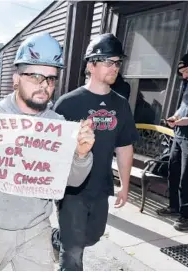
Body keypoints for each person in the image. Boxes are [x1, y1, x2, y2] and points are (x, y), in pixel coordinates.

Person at [0, 32, 95, 271]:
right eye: (35, 76)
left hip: (36, 231)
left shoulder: (59, 127)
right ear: (16, 78)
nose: (44, 85)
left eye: (51, 79)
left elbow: (74, 180)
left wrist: (82, 155)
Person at [50, 33, 139, 271]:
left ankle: (59, 238)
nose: (115, 67)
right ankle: (66, 243)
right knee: (74, 253)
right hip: (72, 190)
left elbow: (124, 146)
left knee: (92, 237)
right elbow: (51, 147)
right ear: (91, 64)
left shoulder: (120, 104)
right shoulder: (68, 103)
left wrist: (125, 184)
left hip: (101, 187)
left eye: (118, 63)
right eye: (109, 61)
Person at [156, 53, 188, 231]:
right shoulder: (187, 82)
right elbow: (184, 106)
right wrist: (175, 116)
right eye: (182, 73)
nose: (185, 76)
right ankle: (174, 206)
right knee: (173, 171)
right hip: (179, 133)